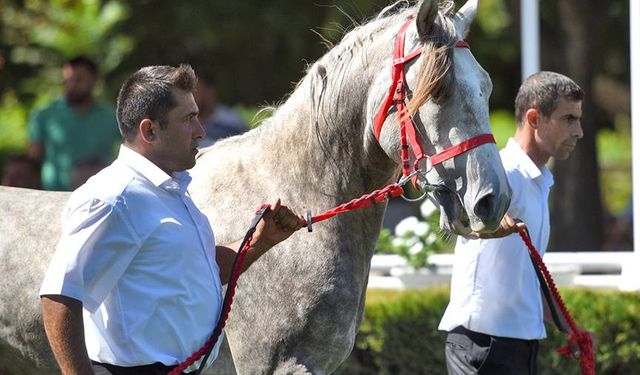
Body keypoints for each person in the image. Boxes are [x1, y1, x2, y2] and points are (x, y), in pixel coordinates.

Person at [39, 64, 305, 375]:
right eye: (188, 119)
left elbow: (201, 267)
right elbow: (58, 297)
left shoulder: (169, 188)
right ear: (150, 131)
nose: (201, 131)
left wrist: (261, 239)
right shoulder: (114, 198)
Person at [438, 71, 592, 374]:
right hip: (481, 347)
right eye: (569, 119)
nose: (579, 131)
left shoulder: (538, 181)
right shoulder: (502, 172)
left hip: (518, 346)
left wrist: (570, 328)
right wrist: (487, 227)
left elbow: (527, 281)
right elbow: (459, 216)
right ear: (534, 119)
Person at [27, 55, 121, 191]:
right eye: (68, 80)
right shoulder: (44, 115)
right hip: (52, 196)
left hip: (99, 196)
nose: (72, 85)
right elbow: (33, 159)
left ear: (94, 80)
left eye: (79, 80)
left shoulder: (112, 116)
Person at [193, 69, 248, 148]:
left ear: (210, 92)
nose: (191, 96)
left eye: (196, 91)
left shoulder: (232, 124)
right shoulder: (180, 124)